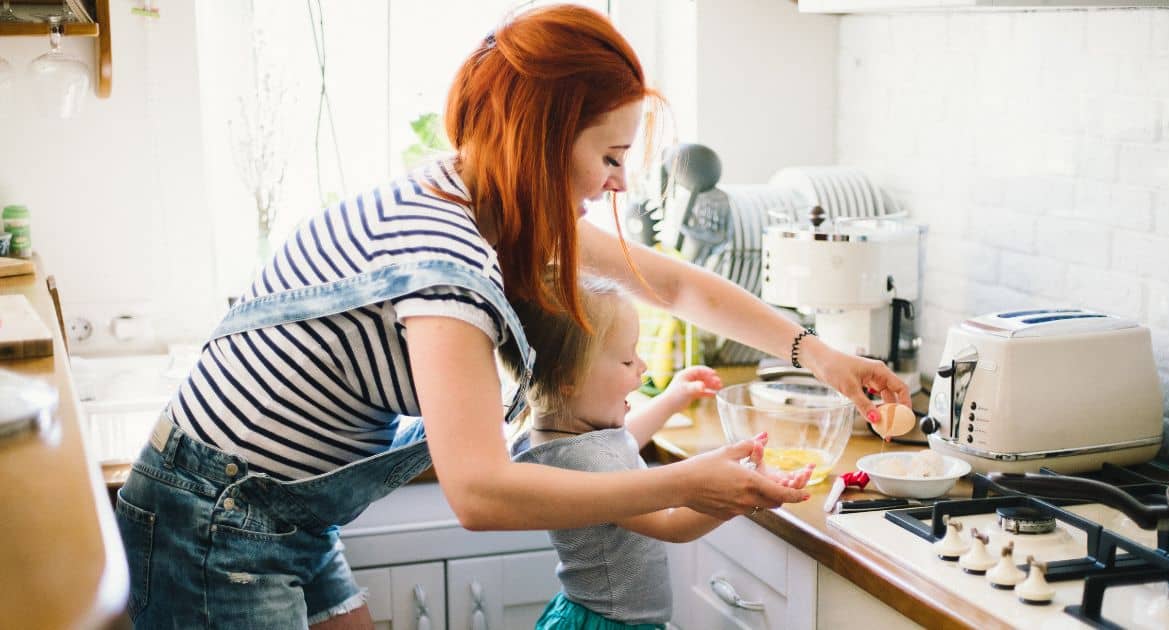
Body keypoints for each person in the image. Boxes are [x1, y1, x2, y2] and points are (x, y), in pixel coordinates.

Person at [113, 4, 911, 629]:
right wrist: (685, 482)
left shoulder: (480, 197)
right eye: (610, 157)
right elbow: (480, 493)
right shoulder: (446, 262)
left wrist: (820, 355)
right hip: (215, 523)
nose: (619, 183)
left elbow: (671, 285)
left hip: (287, 515)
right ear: (541, 141)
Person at [501, 275, 816, 629]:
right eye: (627, 361)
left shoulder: (563, 440)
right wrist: (741, 492)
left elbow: (621, 445)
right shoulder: (582, 461)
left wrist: (671, 399)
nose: (643, 366)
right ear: (567, 379)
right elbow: (671, 523)